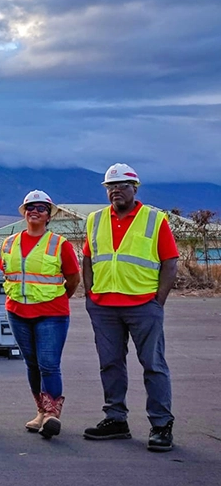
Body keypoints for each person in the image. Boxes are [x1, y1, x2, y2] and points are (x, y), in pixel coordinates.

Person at [81, 163, 179, 452]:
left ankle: (161, 425)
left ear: (135, 188)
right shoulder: (95, 220)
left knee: (153, 365)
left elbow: (170, 262)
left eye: (122, 186)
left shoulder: (154, 219)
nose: (115, 191)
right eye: (110, 187)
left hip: (143, 305)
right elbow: (87, 258)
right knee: (110, 364)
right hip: (104, 306)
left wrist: (157, 301)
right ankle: (116, 420)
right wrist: (90, 293)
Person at [0, 190, 80, 439]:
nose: (35, 211)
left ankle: (52, 414)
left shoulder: (60, 244)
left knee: (49, 364)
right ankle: (40, 412)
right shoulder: (9, 243)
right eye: (30, 207)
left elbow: (73, 278)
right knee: (32, 364)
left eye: (41, 208)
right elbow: (6, 273)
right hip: (18, 312)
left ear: (49, 215)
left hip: (51, 313)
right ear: (24, 212)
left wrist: (58, 299)